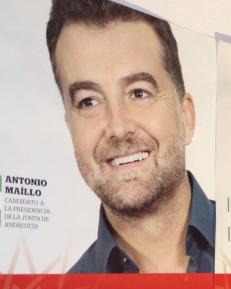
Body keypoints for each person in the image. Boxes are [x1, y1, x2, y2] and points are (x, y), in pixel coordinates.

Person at [46, 0, 214, 274]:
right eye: (89, 101)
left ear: (186, 117)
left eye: (138, 93)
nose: (118, 127)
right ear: (69, 126)